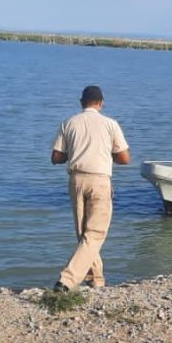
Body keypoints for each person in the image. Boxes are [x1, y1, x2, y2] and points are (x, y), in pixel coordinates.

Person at [51, 85, 130, 291]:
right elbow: (124, 158)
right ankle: (67, 280)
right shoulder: (110, 124)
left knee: (84, 234)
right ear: (101, 103)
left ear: (81, 102)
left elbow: (56, 157)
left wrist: (75, 152)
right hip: (100, 180)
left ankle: (97, 281)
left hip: (76, 180)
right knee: (95, 234)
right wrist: (105, 152)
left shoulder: (69, 122)